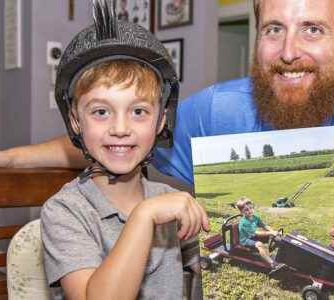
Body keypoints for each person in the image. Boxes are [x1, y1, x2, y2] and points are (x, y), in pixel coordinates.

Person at [0, 0, 334, 298]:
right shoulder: (214, 111)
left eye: (312, 28)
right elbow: (119, 143)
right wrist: (7, 159)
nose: (289, 51)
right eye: (273, 29)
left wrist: (332, 262)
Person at [39, 2, 208, 299]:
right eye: (101, 112)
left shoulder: (168, 200)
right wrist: (144, 216)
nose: (120, 127)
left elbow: (222, 270)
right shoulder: (65, 212)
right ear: (76, 121)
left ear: (161, 120)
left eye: (139, 111)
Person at [235, 197, 280, 269]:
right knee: (259, 244)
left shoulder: (255, 216)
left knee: (271, 236)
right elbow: (256, 233)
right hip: (246, 239)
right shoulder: (244, 223)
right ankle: (271, 263)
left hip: (252, 235)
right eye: (246, 210)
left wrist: (273, 231)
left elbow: (263, 225)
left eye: (251, 208)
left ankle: (267, 253)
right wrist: (271, 233)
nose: (250, 211)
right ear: (241, 212)